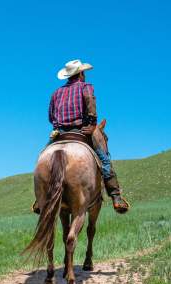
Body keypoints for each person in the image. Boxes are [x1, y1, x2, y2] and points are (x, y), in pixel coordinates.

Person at [40, 59, 130, 214]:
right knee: (104, 160)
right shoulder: (86, 87)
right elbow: (90, 102)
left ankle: (39, 200)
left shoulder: (56, 93)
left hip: (60, 133)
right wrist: (92, 123)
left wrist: (57, 126)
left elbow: (50, 116)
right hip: (81, 131)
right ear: (81, 73)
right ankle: (116, 197)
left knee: (43, 157)